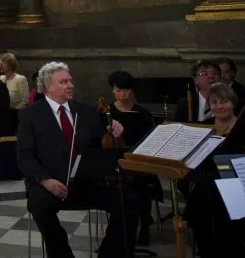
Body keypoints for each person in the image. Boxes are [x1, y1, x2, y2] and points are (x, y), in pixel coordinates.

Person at [17, 62, 137, 258]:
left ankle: (110, 254)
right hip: (49, 183)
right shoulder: (30, 115)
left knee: (129, 200)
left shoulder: (86, 111)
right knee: (39, 205)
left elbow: (104, 134)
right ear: (48, 86)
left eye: (70, 80)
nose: (70, 85)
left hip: (85, 182)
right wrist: (45, 180)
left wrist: (113, 127)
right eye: (64, 82)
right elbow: (24, 156)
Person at [185, 83, 245, 257]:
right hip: (208, 187)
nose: (219, 106)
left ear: (233, 103)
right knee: (199, 206)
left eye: (224, 101)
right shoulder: (203, 128)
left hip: (239, 189)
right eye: (214, 102)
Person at [106, 71, 159, 246]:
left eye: (126, 90)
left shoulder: (142, 113)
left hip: (138, 159)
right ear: (112, 90)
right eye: (118, 90)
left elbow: (149, 139)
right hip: (115, 161)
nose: (123, 94)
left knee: (141, 181)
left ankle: (144, 224)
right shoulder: (106, 112)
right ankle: (118, 229)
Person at [214, 58, 245, 138]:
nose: (222, 76)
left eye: (226, 72)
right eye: (219, 72)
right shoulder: (209, 90)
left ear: (233, 73)